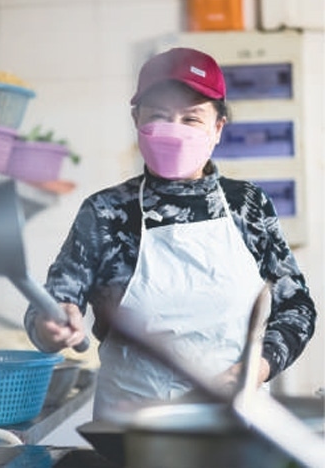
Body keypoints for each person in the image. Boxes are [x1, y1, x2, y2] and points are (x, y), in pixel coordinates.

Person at [24, 47, 316, 420]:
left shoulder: (248, 206)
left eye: (191, 118)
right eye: (159, 116)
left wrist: (253, 371)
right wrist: (51, 325)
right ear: (137, 120)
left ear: (218, 127)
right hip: (133, 429)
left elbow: (296, 308)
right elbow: (50, 307)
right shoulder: (106, 212)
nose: (174, 132)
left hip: (236, 425)